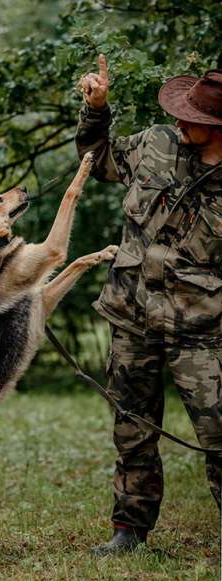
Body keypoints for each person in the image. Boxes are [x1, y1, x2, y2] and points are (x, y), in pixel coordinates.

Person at [76, 55, 222, 555]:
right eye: (184, 113)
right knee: (131, 430)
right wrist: (97, 111)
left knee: (219, 432)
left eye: (196, 120)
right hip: (133, 315)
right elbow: (100, 160)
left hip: (202, 330)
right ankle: (129, 531)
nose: (183, 122)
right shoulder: (157, 142)